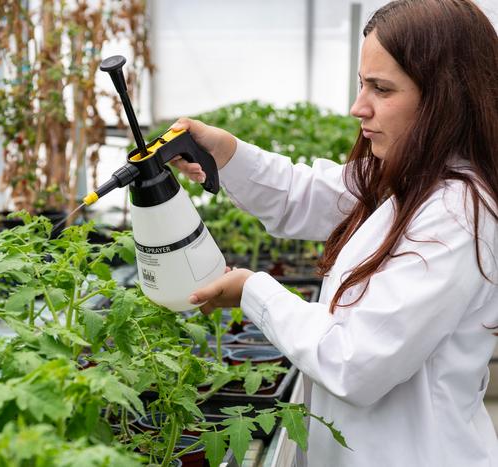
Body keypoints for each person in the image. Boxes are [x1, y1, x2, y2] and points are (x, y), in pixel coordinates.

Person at [171, 0, 498, 465]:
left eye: (382, 89)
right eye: (361, 83)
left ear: (447, 97)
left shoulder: (458, 214)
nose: (357, 107)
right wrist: (226, 153)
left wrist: (253, 290)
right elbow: (305, 193)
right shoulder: (409, 174)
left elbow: (354, 362)